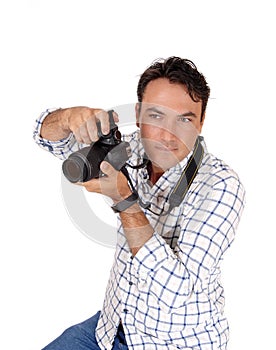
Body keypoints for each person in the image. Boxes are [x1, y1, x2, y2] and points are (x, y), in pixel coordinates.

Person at [33, 57, 245, 350]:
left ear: (202, 122)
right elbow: (49, 139)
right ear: (138, 113)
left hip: (174, 343)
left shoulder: (220, 186)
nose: (168, 136)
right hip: (111, 326)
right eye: (156, 116)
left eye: (184, 119)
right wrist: (69, 117)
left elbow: (177, 292)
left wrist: (124, 202)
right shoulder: (132, 148)